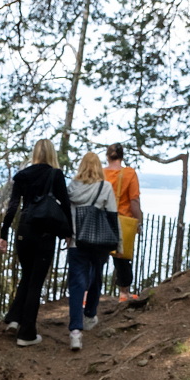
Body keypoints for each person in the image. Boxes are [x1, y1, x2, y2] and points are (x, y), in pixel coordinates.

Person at [0, 139, 70, 346]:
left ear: (35, 154)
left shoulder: (22, 175)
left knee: (27, 275)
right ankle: (26, 334)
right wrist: (68, 232)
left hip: (24, 231)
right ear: (51, 154)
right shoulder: (55, 174)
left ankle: (14, 319)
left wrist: (3, 234)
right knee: (35, 282)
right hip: (45, 234)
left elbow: (12, 206)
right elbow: (64, 204)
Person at [65, 151, 118, 351]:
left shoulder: (72, 187)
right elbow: (113, 215)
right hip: (98, 242)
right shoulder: (105, 187)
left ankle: (75, 332)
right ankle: (89, 315)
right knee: (96, 278)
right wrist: (117, 242)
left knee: (77, 285)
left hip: (76, 243)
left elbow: (66, 215)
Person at [102, 144, 142, 300]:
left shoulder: (101, 173)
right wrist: (138, 222)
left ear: (107, 156)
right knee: (122, 258)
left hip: (102, 220)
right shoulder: (129, 173)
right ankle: (124, 293)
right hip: (122, 219)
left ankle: (88, 293)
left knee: (98, 258)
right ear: (122, 156)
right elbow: (134, 201)